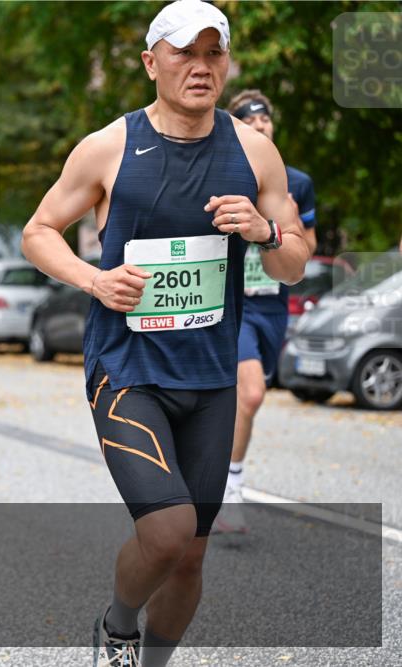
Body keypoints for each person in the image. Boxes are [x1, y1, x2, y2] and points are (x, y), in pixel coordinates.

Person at [20, 2, 309, 665]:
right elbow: (38, 232)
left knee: (189, 556)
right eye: (184, 52)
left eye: (214, 52)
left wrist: (266, 232)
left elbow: (291, 264)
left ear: (227, 63)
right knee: (170, 529)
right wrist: (93, 280)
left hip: (211, 378)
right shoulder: (108, 148)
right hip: (128, 370)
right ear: (152, 62)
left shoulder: (255, 151)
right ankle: (118, 624)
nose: (201, 66)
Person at [214, 90, 318, 534]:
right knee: (250, 393)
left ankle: (218, 477)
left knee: (243, 400)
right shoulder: (223, 175)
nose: (261, 127)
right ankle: (231, 488)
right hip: (231, 304)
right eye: (250, 122)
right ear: (236, 128)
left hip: (273, 305)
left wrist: (282, 227)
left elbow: (307, 252)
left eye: (266, 120)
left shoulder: (295, 183)